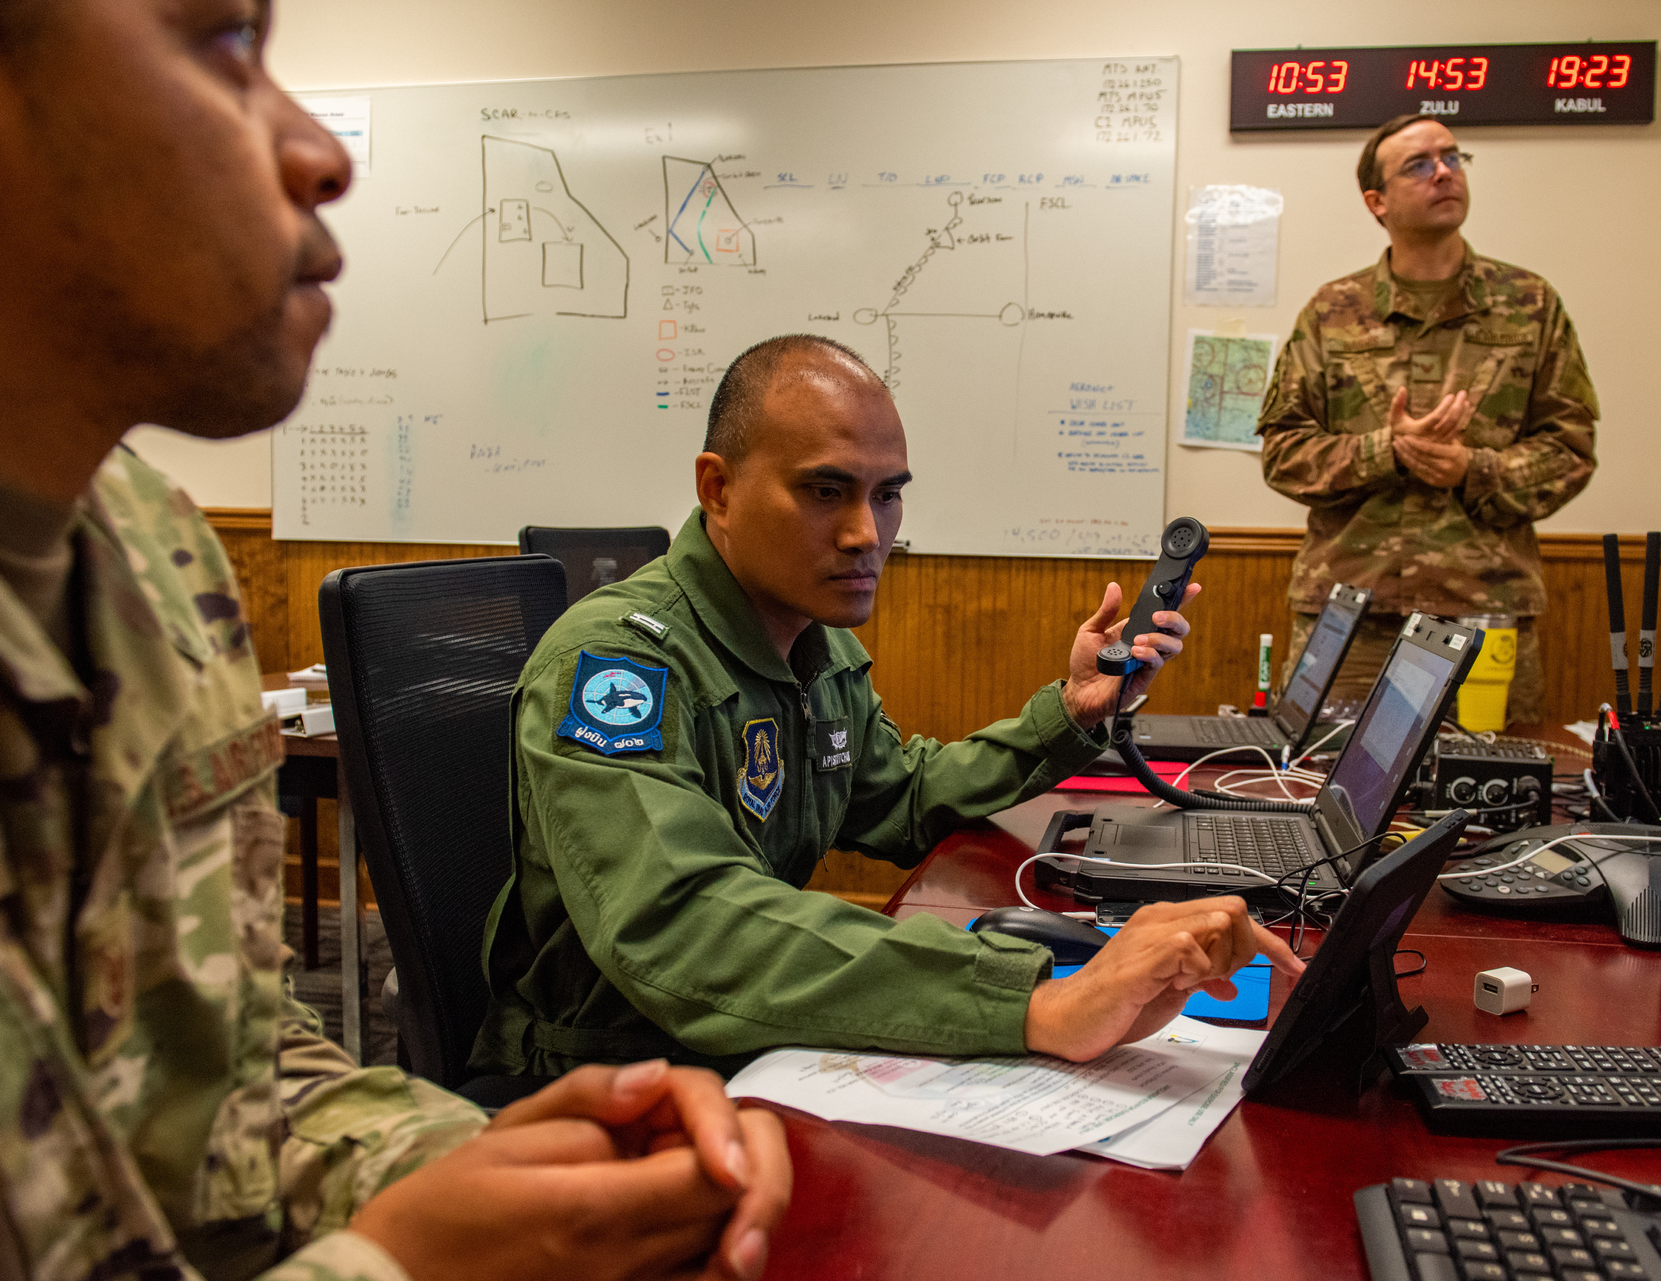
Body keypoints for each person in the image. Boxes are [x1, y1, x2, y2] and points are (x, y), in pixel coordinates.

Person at [0, 4, 787, 1281]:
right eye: (220, 43)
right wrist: (404, 1264)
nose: (324, 152)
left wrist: (473, 1175)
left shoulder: (150, 553)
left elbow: (232, 1069)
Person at [472, 334, 1301, 1078]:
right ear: (717, 489)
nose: (870, 532)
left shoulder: (808, 637)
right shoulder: (620, 662)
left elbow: (898, 798)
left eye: (888, 494)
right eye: (827, 491)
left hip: (741, 1044)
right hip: (608, 1077)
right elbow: (684, 925)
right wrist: (1032, 1002)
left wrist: (1073, 713)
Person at [1256, 114, 1599, 724]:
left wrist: (1475, 468)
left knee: (1490, 798)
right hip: (1351, 618)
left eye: (1452, 157)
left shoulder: (1529, 304)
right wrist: (1386, 452)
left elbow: (1571, 449)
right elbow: (1283, 452)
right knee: (1320, 790)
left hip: (1486, 613)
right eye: (1418, 164)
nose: (1443, 172)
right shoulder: (1333, 311)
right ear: (1376, 201)